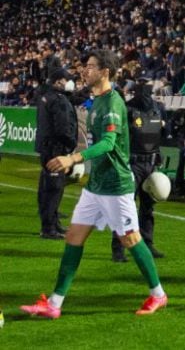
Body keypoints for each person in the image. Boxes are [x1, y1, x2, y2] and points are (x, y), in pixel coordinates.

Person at [20, 50, 167, 319]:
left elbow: (109, 143)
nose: (84, 71)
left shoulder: (111, 103)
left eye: (90, 67)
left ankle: (158, 294)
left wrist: (73, 157)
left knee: (131, 239)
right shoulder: (96, 100)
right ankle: (54, 304)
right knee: (74, 238)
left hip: (115, 185)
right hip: (96, 185)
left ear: (105, 72)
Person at [110, 79, 167, 262]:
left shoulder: (158, 108)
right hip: (132, 162)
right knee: (126, 206)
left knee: (148, 207)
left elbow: (163, 133)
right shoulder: (126, 109)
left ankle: (147, 243)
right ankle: (119, 249)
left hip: (151, 162)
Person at [34, 68, 77, 240]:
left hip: (46, 148)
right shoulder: (59, 100)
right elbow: (63, 128)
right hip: (55, 149)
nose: (69, 83)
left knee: (48, 187)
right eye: (66, 79)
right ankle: (48, 228)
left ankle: (53, 222)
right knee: (54, 188)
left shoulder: (45, 96)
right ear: (59, 81)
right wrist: (70, 145)